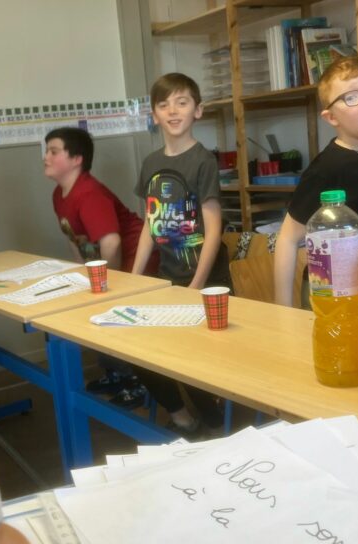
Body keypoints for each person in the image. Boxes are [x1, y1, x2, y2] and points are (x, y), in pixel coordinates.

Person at [131, 72, 231, 436]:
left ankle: (215, 426)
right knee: (135, 349)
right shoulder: (150, 163)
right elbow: (151, 223)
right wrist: (134, 276)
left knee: (191, 362)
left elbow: (213, 229)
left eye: (182, 102)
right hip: (168, 280)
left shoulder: (203, 161)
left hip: (207, 282)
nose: (173, 110)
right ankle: (181, 416)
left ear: (197, 111)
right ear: (154, 114)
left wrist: (197, 286)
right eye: (164, 104)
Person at [273, 56, 358, 308]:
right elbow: (288, 238)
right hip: (341, 296)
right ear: (331, 118)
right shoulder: (326, 169)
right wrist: (283, 312)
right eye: (352, 97)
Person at [44, 127, 157, 408]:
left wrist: (108, 283)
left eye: (53, 151)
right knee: (98, 313)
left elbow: (112, 242)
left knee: (121, 318)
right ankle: (117, 373)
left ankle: (140, 382)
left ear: (76, 159)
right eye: (47, 151)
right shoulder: (59, 194)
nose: (46, 157)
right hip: (110, 262)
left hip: (135, 259)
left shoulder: (89, 193)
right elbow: (74, 237)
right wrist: (83, 275)